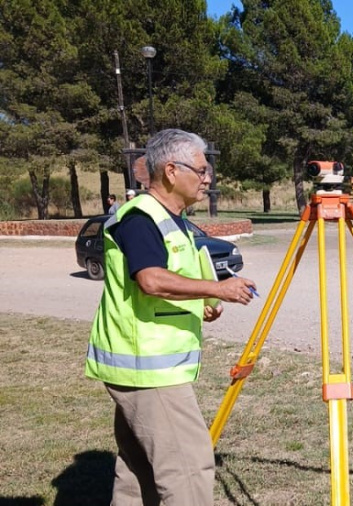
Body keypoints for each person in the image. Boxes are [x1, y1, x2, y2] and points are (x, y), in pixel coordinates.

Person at [85, 129, 257, 506]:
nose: (208, 177)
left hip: (146, 367)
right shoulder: (140, 218)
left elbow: (167, 282)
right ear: (170, 171)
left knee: (139, 471)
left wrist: (202, 304)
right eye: (201, 169)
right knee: (188, 469)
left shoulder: (173, 219)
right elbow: (151, 280)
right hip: (147, 370)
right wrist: (218, 289)